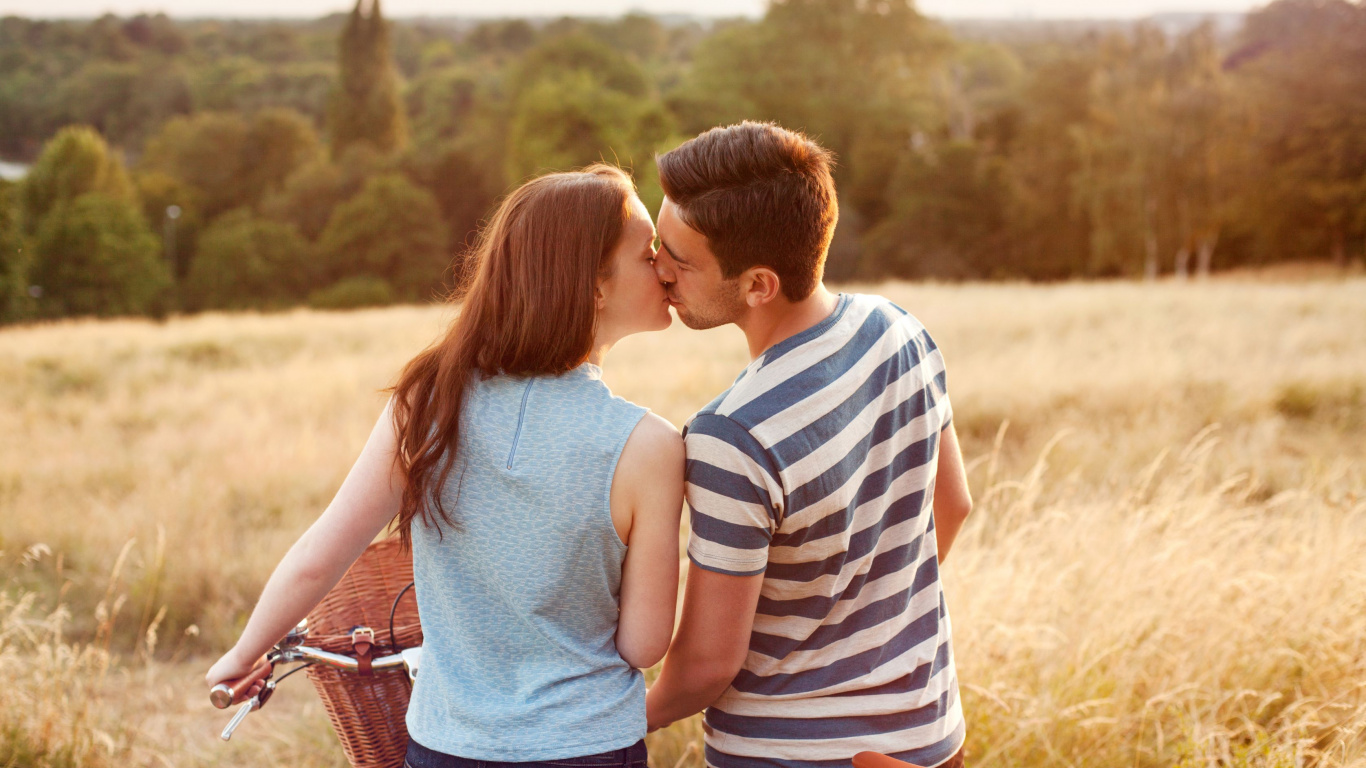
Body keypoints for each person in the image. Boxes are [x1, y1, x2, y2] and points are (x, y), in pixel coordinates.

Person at [205, 164, 685, 768]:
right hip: (586, 747)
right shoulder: (651, 445)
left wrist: (244, 653)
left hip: (446, 746)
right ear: (593, 284)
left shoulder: (430, 400)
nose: (666, 266)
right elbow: (643, 644)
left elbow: (319, 555)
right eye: (648, 255)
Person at [644, 122, 975, 768]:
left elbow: (708, 664)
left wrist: (606, 723)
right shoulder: (899, 330)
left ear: (758, 284)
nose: (658, 270)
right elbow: (954, 505)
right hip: (930, 738)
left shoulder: (731, 437)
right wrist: (867, 629)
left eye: (679, 260)